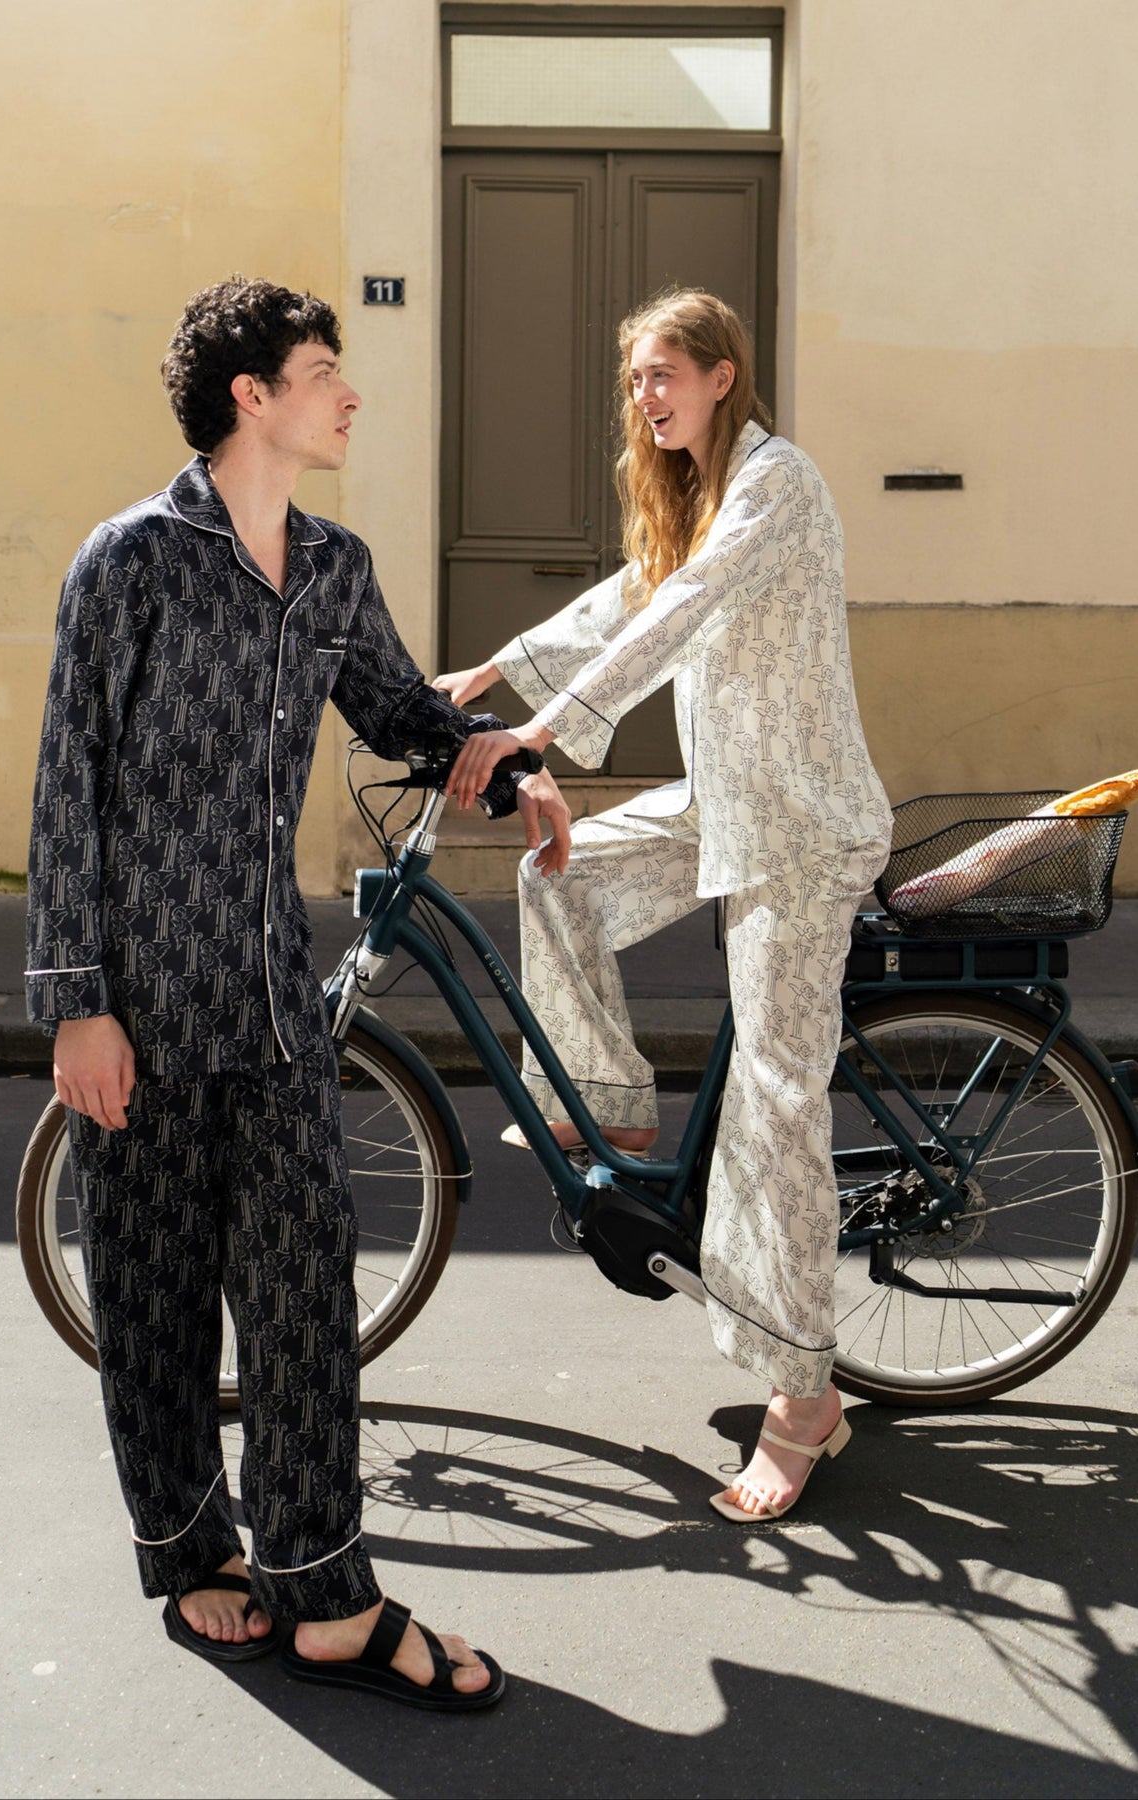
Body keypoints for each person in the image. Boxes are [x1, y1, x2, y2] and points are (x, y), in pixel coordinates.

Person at [26, 276, 569, 1706]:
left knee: (304, 1289)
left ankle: (326, 1593)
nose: (348, 393)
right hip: (142, 1000)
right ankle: (189, 1552)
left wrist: (500, 764)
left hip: (273, 995)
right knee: (153, 1299)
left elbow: (399, 709)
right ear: (250, 394)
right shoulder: (130, 562)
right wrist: (75, 1000)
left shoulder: (331, 566)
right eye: (325, 371)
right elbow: (69, 780)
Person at [436, 289, 892, 1523]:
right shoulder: (696, 495)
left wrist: (543, 729)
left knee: (773, 1109)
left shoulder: (776, 484)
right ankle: (616, 1110)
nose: (645, 395)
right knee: (560, 873)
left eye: (664, 375)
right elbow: (639, 591)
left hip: (799, 827)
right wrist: (494, 670)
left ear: (721, 376)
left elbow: (687, 608)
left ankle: (805, 1400)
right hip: (722, 802)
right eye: (635, 378)